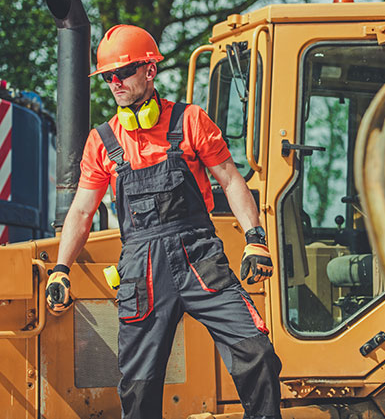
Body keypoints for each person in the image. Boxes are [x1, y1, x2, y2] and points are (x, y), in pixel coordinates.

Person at [44, 24, 282, 419]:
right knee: (138, 386)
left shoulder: (190, 120)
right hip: (142, 273)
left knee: (256, 352)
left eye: (122, 73)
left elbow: (231, 180)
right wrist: (60, 269)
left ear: (149, 71)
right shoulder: (102, 140)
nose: (114, 83)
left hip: (200, 260)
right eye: (107, 77)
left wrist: (255, 238)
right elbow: (83, 211)